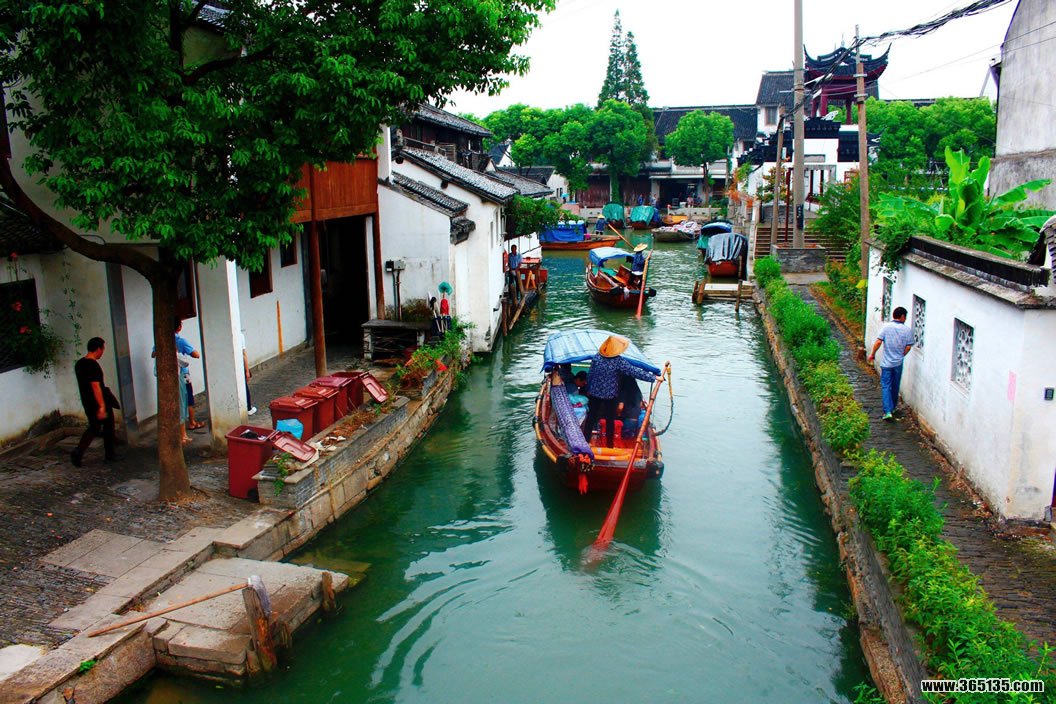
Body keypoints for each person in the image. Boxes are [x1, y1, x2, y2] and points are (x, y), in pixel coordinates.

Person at [581, 335, 661, 448]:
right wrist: (654, 378)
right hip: (610, 396)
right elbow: (634, 372)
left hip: (595, 393)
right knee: (610, 420)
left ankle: (586, 441)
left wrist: (588, 389)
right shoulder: (618, 361)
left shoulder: (596, 358)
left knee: (591, 417)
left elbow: (590, 375)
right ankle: (609, 445)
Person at [72, 337, 118, 467]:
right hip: (98, 401)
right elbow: (96, 387)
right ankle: (109, 454)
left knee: (94, 427)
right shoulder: (93, 366)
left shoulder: (80, 364)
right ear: (98, 349)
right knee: (108, 426)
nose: (102, 352)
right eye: (102, 349)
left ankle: (79, 452)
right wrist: (102, 406)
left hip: (87, 401)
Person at [868, 306, 914, 421]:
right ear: (902, 316)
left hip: (886, 363)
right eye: (905, 317)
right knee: (895, 385)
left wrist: (872, 354)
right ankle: (893, 407)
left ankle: (887, 411)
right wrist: (901, 355)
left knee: (886, 386)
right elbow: (908, 346)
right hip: (898, 363)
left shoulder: (886, 327)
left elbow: (878, 342)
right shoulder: (907, 330)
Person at [241, 330, 256, 416]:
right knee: (244, 387)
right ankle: (248, 408)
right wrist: (247, 370)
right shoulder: (240, 336)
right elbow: (244, 354)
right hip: (239, 366)